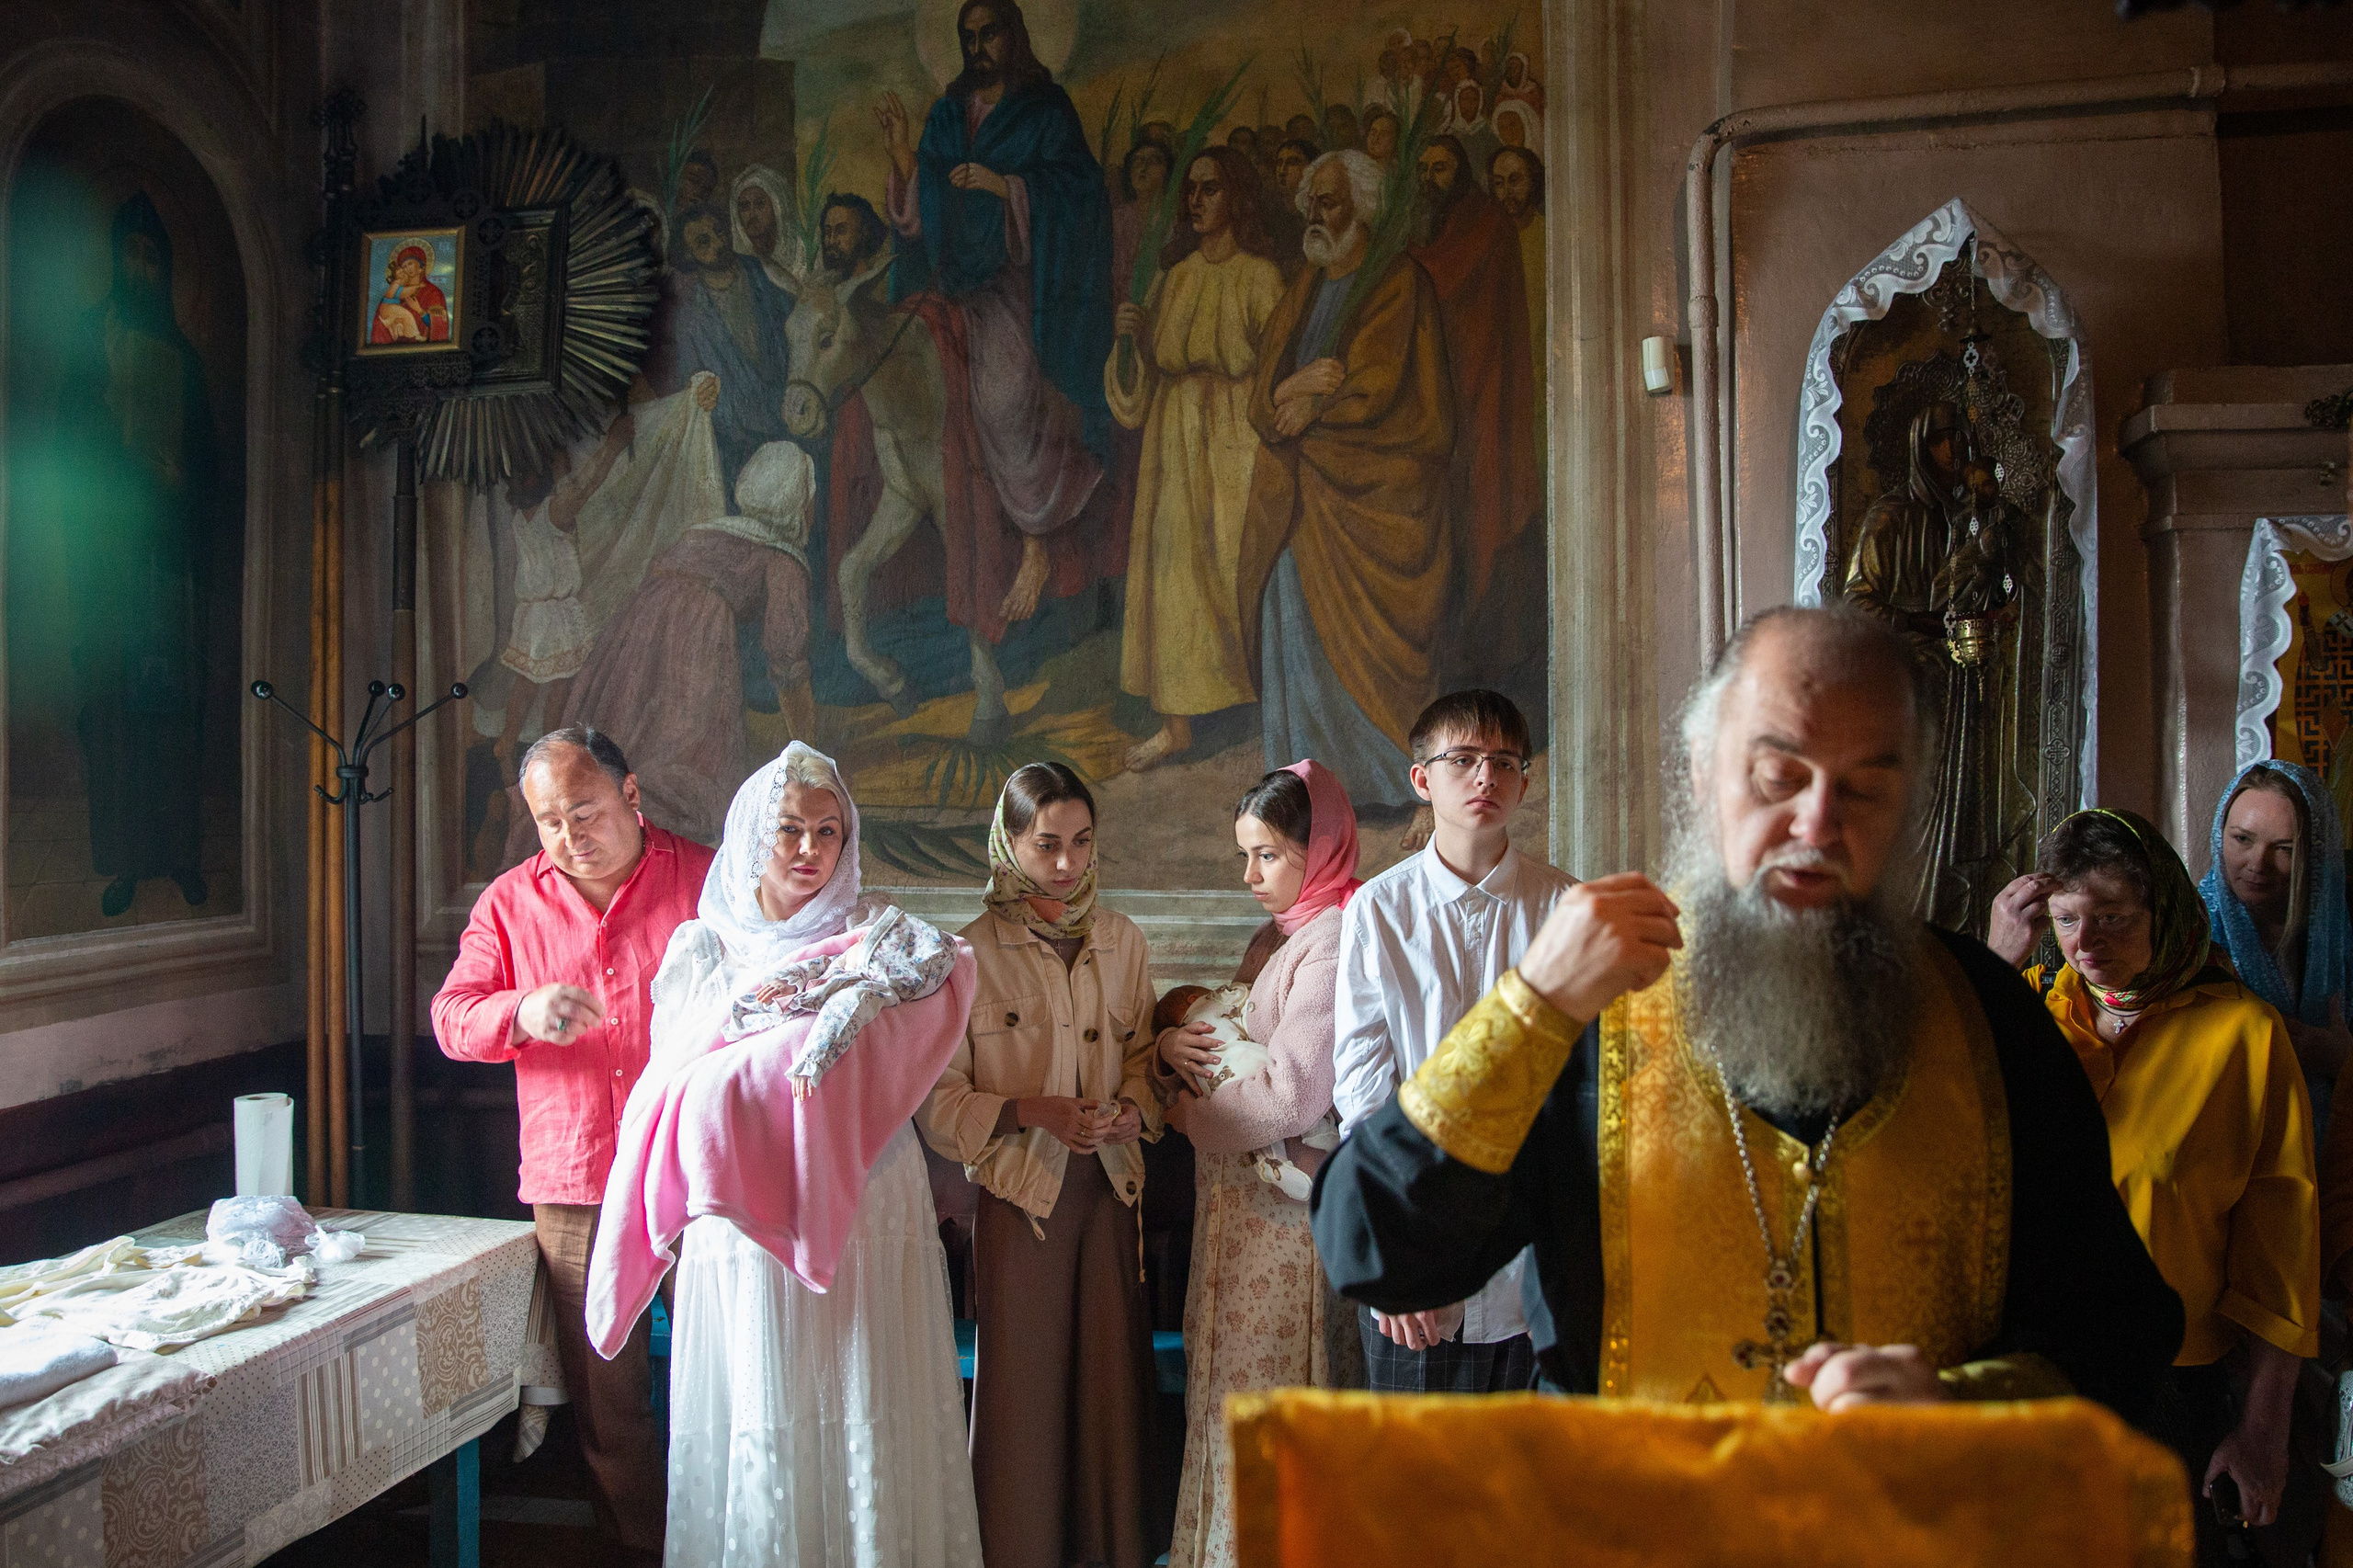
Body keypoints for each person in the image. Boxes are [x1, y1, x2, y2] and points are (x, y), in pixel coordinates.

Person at [1313, 608, 2183, 1424]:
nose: (1818, 822)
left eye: (1865, 788)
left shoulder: (1989, 1022)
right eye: (1779, 776)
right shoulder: (1590, 1011)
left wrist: (1961, 1412)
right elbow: (1374, 1248)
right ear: (1704, 774)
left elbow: (2122, 1338)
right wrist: (1532, 1007)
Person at [623, 744, 983, 1567]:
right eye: (789, 829)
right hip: (747, 1207)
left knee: (866, 1379)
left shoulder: (879, 934)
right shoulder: (703, 949)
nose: (809, 850)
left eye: (828, 832)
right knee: (766, 1385)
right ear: (754, 832)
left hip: (868, 1189)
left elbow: (914, 1064)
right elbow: (673, 1088)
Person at [1987, 810, 2318, 1555]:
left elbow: (2282, 1249)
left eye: (2113, 918)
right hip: (2031, 1373)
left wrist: (2264, 1428)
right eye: (2067, 919)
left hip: (2174, 1385)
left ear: (2162, 911)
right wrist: (1996, 966)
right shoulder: (2030, 1013)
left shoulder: (2242, 1035)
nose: (2086, 942)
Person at [431, 727, 716, 1565]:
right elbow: (451, 1017)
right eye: (548, 822)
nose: (568, 836)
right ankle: (641, 1554)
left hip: (700, 1171)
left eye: (584, 812)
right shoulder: (509, 903)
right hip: (575, 1176)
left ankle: (733, 1545)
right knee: (606, 1402)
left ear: (631, 794)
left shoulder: (708, 880)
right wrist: (520, 1011)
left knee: (731, 1370)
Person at [919, 764, 1162, 1568]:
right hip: (1021, 1203)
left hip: (1113, 1196)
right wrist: (1032, 1111)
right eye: (1047, 845)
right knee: (1022, 1397)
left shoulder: (1123, 941)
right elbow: (940, 1105)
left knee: (1111, 1391)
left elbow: (1147, 1064)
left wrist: (1133, 1110)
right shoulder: (967, 956)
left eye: (1082, 843)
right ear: (1008, 843)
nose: (1067, 864)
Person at [1326, 689, 1569, 1390]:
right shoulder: (1380, 908)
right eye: (1462, 760)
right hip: (1417, 1247)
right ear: (1421, 779)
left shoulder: (1567, 908)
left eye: (1504, 762)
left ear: (1525, 782)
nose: (1485, 776)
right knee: (1409, 1457)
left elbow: (1580, 1092)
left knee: (1530, 1460)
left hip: (1534, 1260)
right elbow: (1363, 1090)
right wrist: (1395, 1257)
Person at [1154, 763, 1358, 1568]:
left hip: (1283, 1230)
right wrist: (1173, 1047)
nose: (1249, 875)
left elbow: (1292, 1096)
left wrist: (1183, 1113)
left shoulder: (1332, 940)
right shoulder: (1285, 934)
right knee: (1227, 1398)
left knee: (1268, 1400)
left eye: (1267, 854)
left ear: (1321, 846)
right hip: (1241, 1218)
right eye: (1246, 854)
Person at [877, 0, 1116, 622]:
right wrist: (905, 157)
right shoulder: (947, 114)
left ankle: (1035, 544)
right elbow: (922, 212)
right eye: (968, 36)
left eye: (989, 34)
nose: (978, 46)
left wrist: (1006, 188)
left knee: (1005, 396)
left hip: (1020, 286)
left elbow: (1081, 195)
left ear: (1014, 35)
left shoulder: (1046, 109)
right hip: (951, 281)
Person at [1237, 149, 1454, 816]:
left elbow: (1380, 385)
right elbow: (1266, 392)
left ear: (1362, 209)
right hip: (1301, 494)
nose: (1315, 215)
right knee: (1293, 617)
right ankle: (1307, 785)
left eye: (1329, 202)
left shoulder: (1396, 281)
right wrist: (1297, 389)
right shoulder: (1305, 286)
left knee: (1359, 641)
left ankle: (1384, 780)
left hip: (1373, 487)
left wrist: (1314, 406)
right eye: (1310, 203)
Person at [52, 192, 221, 916]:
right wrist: (122, 463)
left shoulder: (183, 357)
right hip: (108, 563)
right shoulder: (91, 340)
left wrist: (181, 480)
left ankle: (179, 854)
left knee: (172, 710)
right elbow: (67, 442)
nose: (143, 267)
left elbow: (210, 467)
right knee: (116, 711)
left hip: (169, 563)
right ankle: (123, 860)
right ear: (118, 260)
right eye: (133, 254)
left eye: (154, 257)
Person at [1106, 147, 1284, 775]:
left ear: (1236, 197)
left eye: (1211, 189)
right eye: (1193, 190)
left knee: (1235, 570)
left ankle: (1261, 712)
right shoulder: (1176, 276)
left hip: (1236, 437)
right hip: (1174, 437)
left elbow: (1276, 365)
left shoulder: (1261, 276)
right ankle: (1176, 724)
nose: (1197, 200)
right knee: (1174, 579)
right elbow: (1144, 380)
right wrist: (1131, 335)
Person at [562, 441, 820, 844]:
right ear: (796, 500)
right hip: (697, 639)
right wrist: (810, 748)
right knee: (687, 762)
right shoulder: (779, 555)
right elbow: (787, 655)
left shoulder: (706, 532)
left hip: (640, 626)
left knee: (627, 730)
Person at [1406, 134, 1541, 698]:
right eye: (1423, 169)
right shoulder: (1432, 228)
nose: (1430, 179)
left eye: (1440, 168)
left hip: (1482, 397)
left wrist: (1393, 262)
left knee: (1484, 519)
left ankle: (1489, 660)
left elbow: (1444, 277)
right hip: (1440, 400)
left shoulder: (1484, 224)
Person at [2197, 760, 2353, 1138]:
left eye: (2284, 848)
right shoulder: (2186, 934)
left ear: (2316, 854)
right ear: (2220, 835)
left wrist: (2342, 1062)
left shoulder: (2344, 931)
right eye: (2242, 839)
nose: (2258, 864)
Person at [493, 417, 638, 773]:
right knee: (560, 682)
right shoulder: (554, 511)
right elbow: (586, 486)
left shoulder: (522, 516)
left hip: (533, 612)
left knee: (529, 681)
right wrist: (614, 444)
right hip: (554, 612)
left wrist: (561, 470)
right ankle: (550, 743)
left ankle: (509, 739)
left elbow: (572, 488)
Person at [673, 200, 801, 490]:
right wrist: (699, 396)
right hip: (737, 453)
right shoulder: (690, 317)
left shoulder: (765, 273)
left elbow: (801, 328)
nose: (718, 243)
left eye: (719, 232)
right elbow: (691, 390)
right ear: (688, 254)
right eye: (703, 242)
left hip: (791, 428)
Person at [1488, 145, 1546, 460]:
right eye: (1498, 183)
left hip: (1540, 381)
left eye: (1515, 180)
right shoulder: (1484, 243)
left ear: (1533, 182)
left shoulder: (1550, 239)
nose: (1506, 193)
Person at [730, 164, 799, 290]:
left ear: (777, 206)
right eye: (745, 206)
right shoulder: (737, 266)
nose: (752, 214)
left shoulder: (802, 257)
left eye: (760, 204)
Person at [370, 242, 450, 343]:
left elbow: (438, 326)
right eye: (403, 266)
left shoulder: (433, 292)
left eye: (410, 264)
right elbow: (379, 324)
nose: (407, 268)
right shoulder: (396, 291)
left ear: (421, 267)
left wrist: (419, 310)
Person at [1261, 137, 1316, 276]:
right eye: (1279, 163)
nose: (1282, 170)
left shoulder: (1316, 214)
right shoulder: (1268, 213)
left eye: (1292, 163)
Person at [818, 191, 891, 282]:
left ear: (864, 233)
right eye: (828, 232)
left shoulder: (874, 282)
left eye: (841, 231)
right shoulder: (828, 282)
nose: (831, 241)